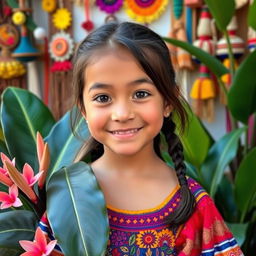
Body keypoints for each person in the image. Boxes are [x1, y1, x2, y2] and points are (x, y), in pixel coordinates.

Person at [39, 21, 243, 256]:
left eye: (141, 94)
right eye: (103, 98)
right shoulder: (66, 197)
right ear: (83, 109)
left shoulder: (194, 204)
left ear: (167, 101)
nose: (123, 114)